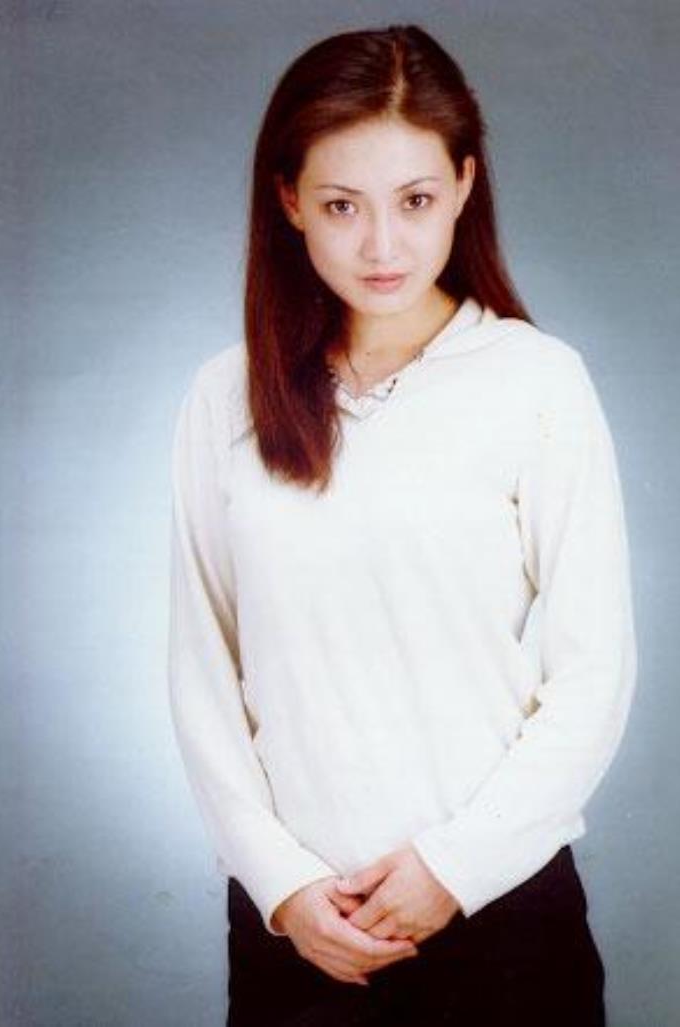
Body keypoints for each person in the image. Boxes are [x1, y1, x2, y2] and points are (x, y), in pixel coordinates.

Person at [167, 23, 637, 1027]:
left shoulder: (536, 381)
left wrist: (454, 866)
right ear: (288, 200)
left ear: (464, 185)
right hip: (300, 932)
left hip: (500, 919)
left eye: (414, 200)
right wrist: (282, 884)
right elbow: (202, 664)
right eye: (342, 205)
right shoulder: (226, 396)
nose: (382, 245)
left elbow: (595, 671)